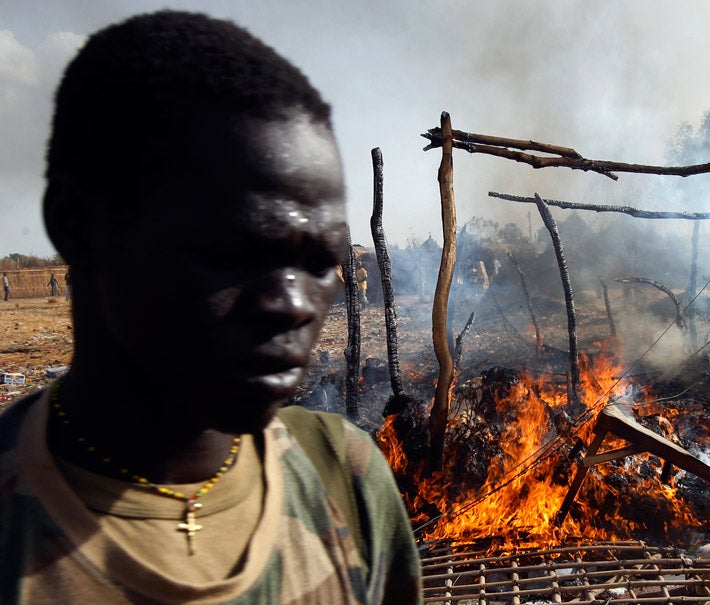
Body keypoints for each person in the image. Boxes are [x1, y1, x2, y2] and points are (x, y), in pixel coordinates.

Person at [0, 11, 421, 605]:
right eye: (230, 252)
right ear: (79, 226)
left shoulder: (342, 475)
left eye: (322, 262)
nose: (294, 305)